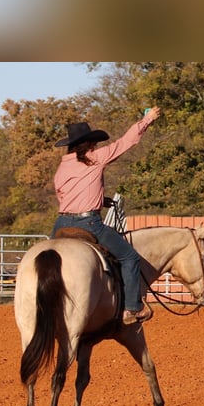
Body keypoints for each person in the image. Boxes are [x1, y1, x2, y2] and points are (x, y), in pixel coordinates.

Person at [51, 107, 161, 325]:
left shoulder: (61, 169)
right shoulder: (95, 158)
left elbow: (65, 196)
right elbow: (125, 143)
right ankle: (132, 308)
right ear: (89, 144)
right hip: (89, 223)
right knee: (130, 258)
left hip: (61, 222)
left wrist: (101, 200)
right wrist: (146, 120)